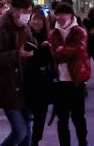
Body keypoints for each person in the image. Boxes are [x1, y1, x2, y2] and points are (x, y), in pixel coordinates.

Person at [0, 0, 37, 146]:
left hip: (24, 87)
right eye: (24, 12)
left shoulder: (25, 28)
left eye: (29, 12)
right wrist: (17, 54)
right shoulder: (0, 29)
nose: (27, 16)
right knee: (20, 131)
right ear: (14, 10)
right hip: (8, 87)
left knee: (27, 135)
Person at [47, 3, 90, 146]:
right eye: (57, 14)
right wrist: (63, 51)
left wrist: (61, 50)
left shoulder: (79, 31)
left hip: (76, 80)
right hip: (60, 82)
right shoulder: (53, 33)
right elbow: (54, 53)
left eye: (62, 14)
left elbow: (79, 51)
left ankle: (82, 142)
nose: (59, 17)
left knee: (78, 118)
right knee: (62, 119)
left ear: (70, 15)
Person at [22, 9, 56, 146]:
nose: (36, 22)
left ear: (44, 21)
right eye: (34, 19)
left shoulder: (50, 38)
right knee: (26, 115)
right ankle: (28, 141)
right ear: (30, 21)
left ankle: (35, 140)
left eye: (39, 19)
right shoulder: (25, 37)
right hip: (28, 81)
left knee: (40, 115)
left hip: (44, 83)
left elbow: (53, 61)